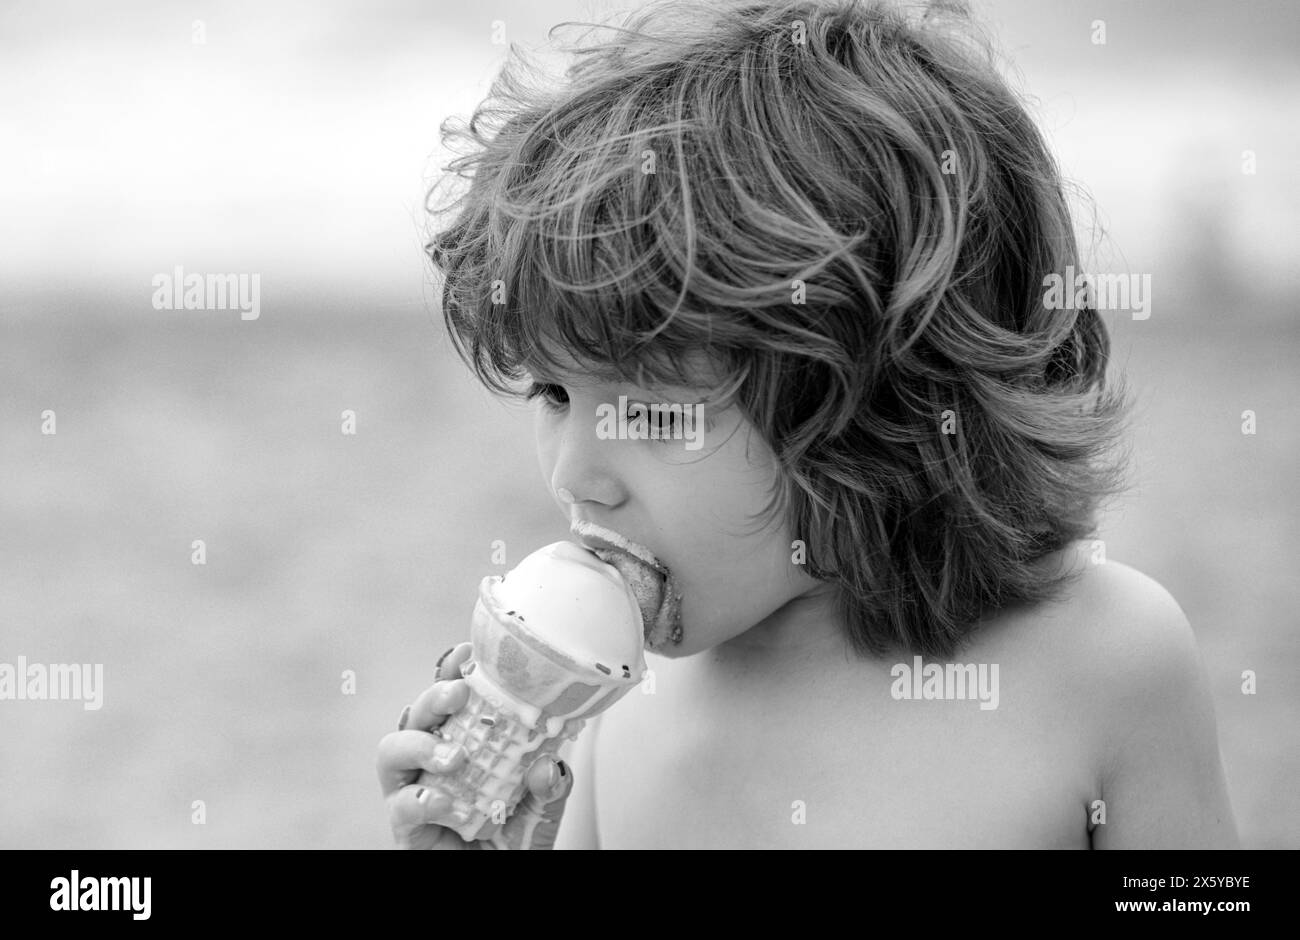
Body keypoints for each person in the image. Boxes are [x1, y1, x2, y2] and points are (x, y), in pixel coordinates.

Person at [377, 0, 1237, 849]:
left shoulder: (1108, 662)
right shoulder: (621, 721)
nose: (574, 473)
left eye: (655, 409)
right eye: (556, 395)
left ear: (874, 401)